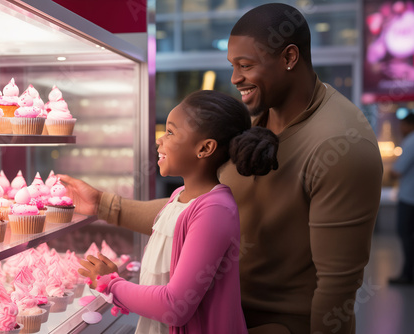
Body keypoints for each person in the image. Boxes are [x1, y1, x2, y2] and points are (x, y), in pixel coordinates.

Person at [61, 3, 383, 333]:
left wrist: (113, 283)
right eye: (232, 65)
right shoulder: (257, 118)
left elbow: (337, 290)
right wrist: (103, 205)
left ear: (289, 58)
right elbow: (188, 215)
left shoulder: (342, 145)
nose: (234, 78)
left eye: (245, 65)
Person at [76, 89, 279, 334]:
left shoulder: (215, 211)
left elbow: (175, 306)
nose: (159, 140)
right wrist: (123, 296)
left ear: (204, 148)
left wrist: (113, 285)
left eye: (171, 132)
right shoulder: (178, 197)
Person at [389, 107, 414, 285]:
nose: (400, 128)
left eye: (402, 125)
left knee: (406, 235)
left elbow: (397, 171)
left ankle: (408, 274)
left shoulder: (411, 142)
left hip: (408, 198)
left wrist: (388, 174)